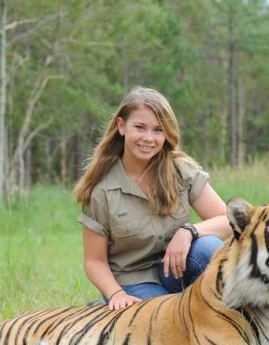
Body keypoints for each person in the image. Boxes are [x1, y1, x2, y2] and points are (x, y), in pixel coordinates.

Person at [74, 87, 231, 310]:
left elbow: (227, 220)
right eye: (140, 127)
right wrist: (116, 294)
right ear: (121, 126)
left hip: (175, 269)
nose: (149, 138)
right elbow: (94, 261)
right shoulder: (100, 190)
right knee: (168, 318)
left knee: (209, 248)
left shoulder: (180, 170)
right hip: (132, 281)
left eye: (158, 130)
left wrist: (188, 232)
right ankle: (109, 308)